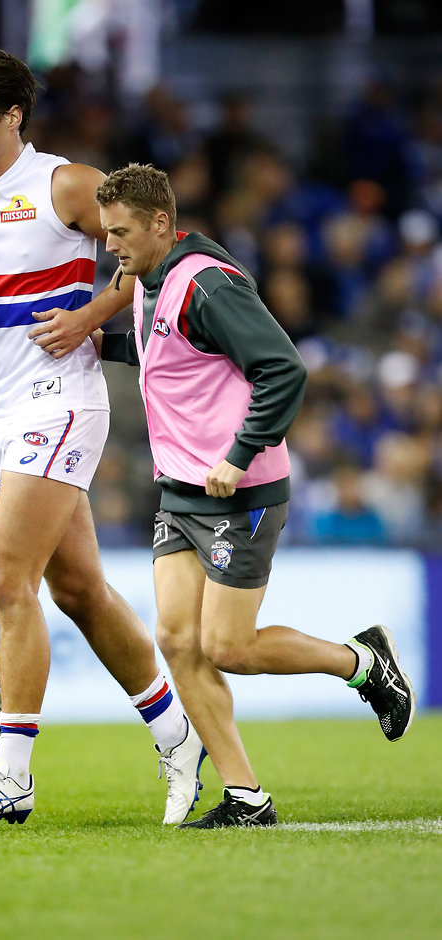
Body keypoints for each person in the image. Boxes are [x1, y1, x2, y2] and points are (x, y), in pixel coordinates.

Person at [34, 162, 416, 828]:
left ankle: (361, 661)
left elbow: (282, 368)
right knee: (176, 638)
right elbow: (175, 352)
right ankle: (245, 795)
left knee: (227, 648)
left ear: (161, 223)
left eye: (120, 232)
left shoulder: (205, 284)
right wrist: (105, 343)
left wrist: (237, 457)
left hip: (240, 491)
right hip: (180, 490)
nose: (110, 246)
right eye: (105, 234)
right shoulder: (150, 280)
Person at [0, 50, 205, 825]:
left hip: (61, 402)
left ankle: (10, 773)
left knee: (5, 577)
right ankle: (179, 734)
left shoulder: (65, 185)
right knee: (77, 589)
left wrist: (87, 316)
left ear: (13, 116)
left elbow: (145, 259)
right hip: (3, 405)